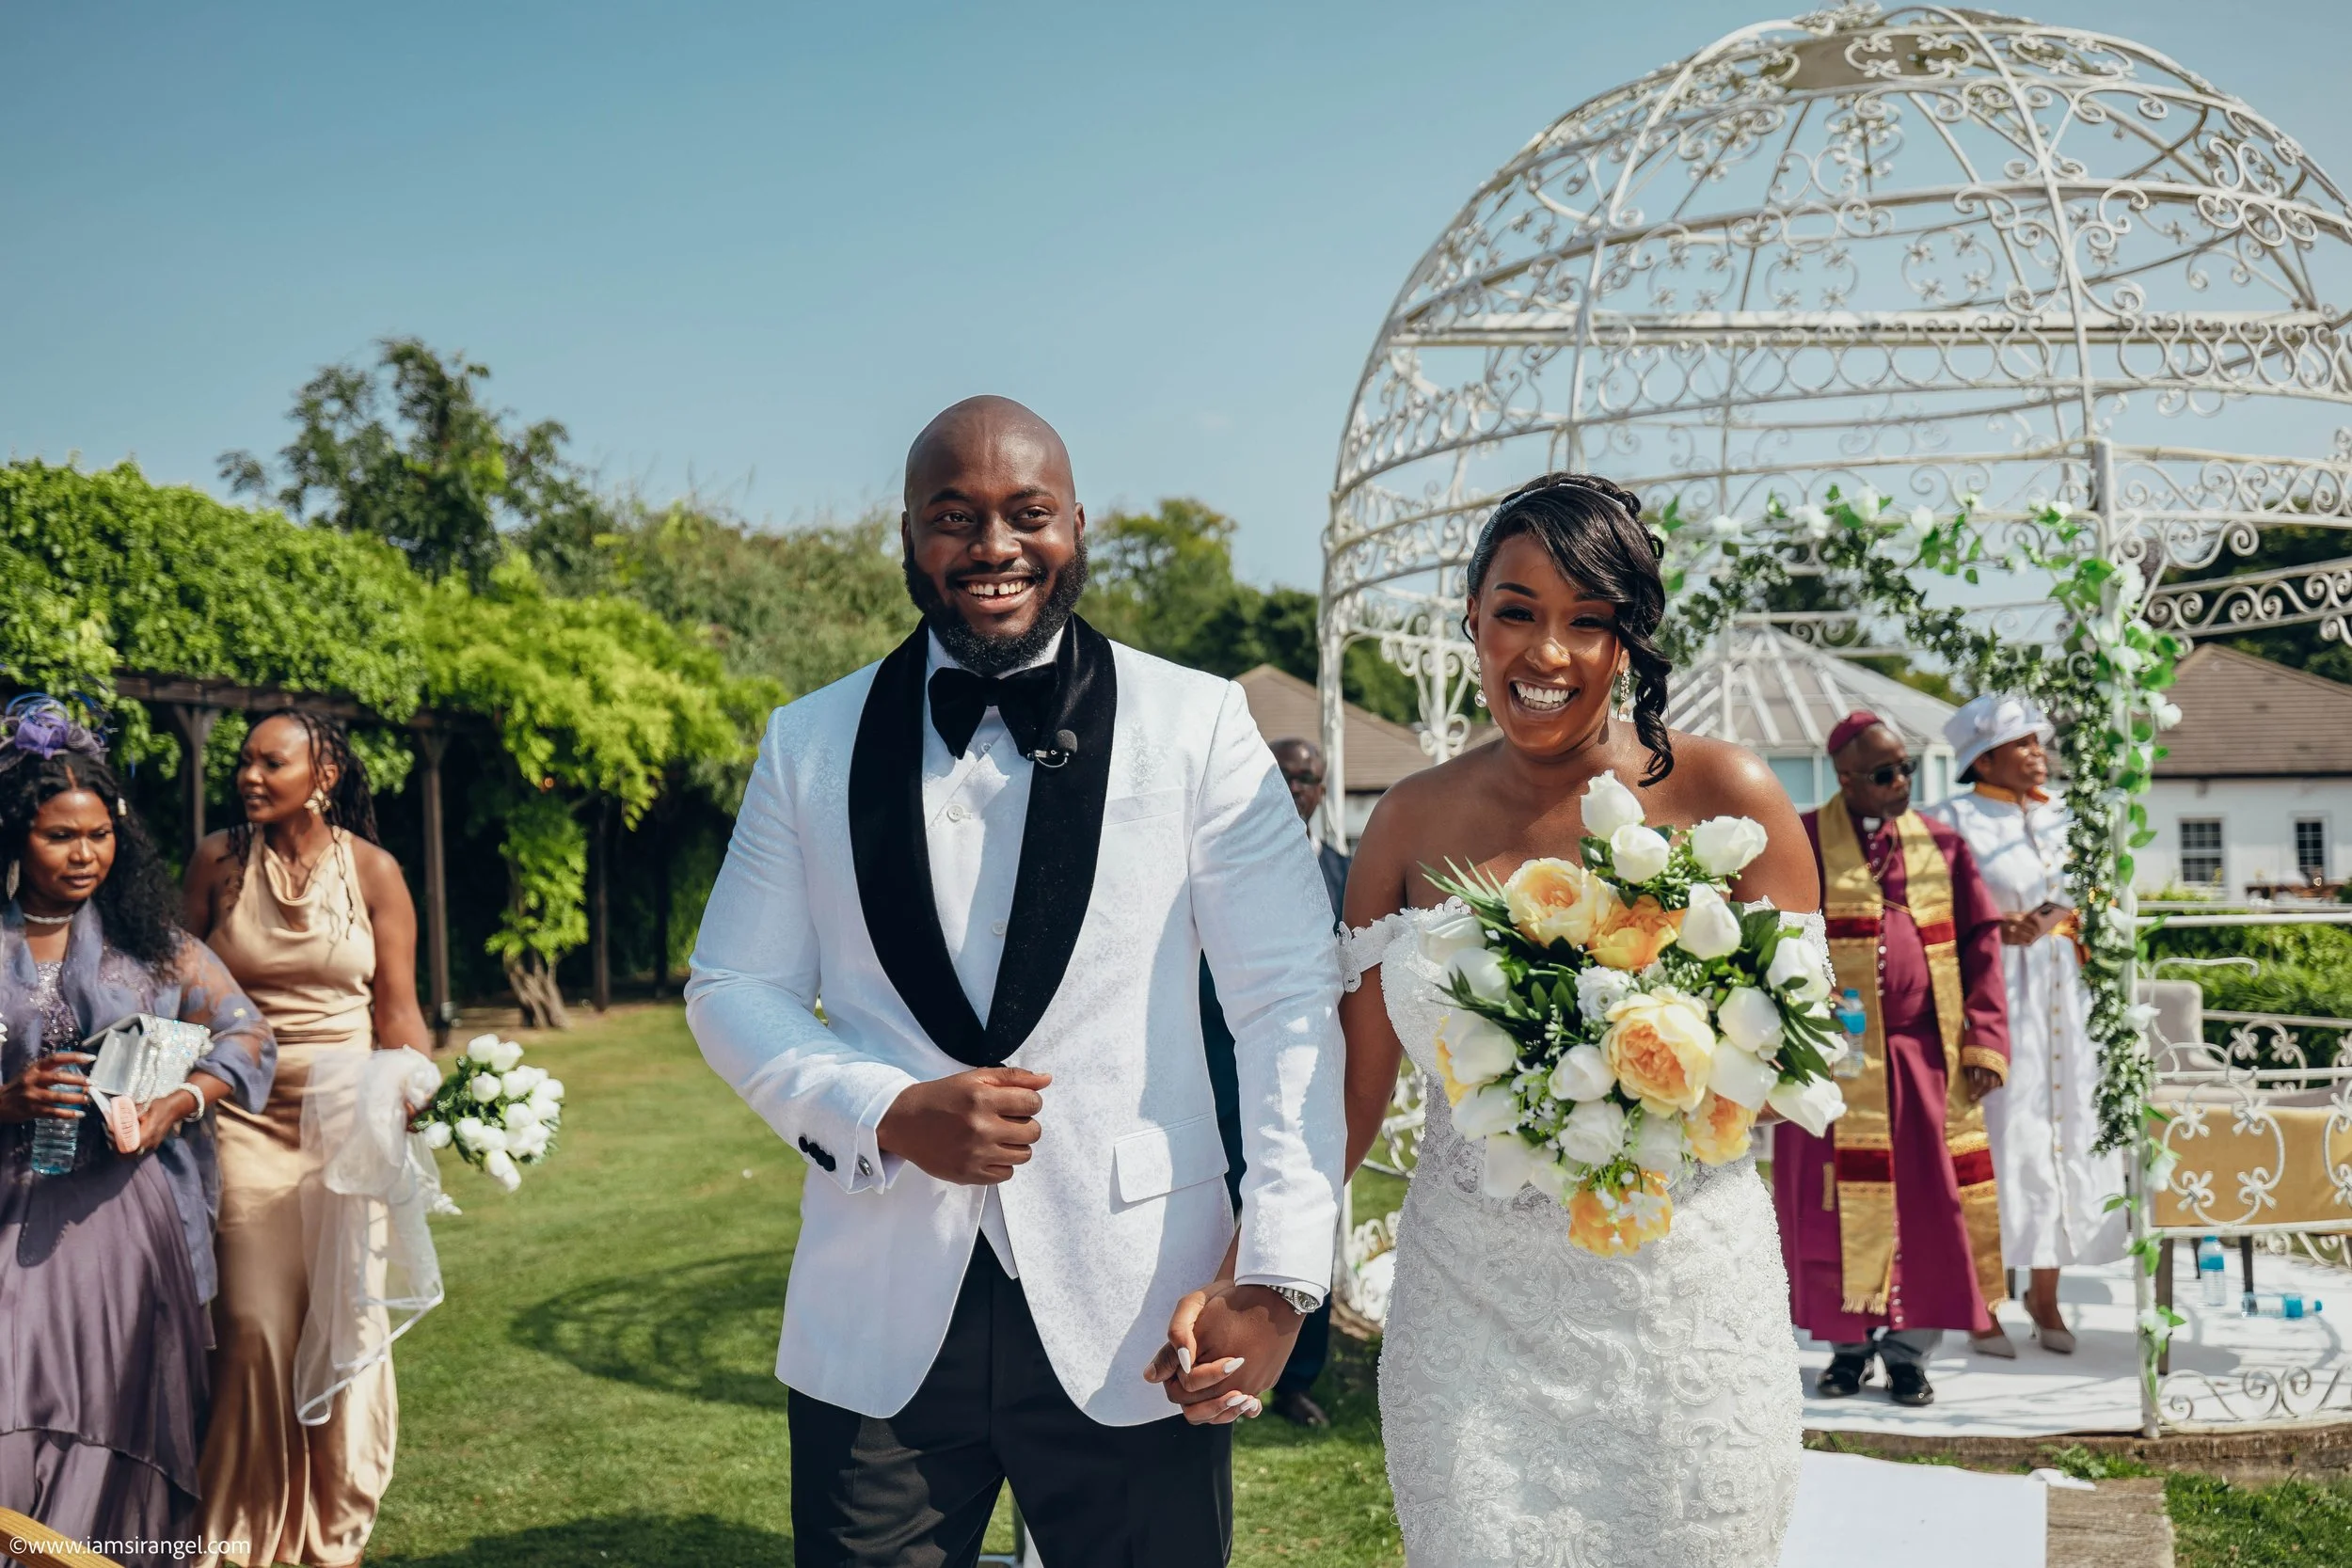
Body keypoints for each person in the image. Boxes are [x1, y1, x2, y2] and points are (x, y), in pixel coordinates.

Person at [686, 396, 1345, 1566]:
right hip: (877, 1313)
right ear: (906, 537)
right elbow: (733, 981)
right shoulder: (808, 741)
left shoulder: (1198, 723)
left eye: (1025, 513)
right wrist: (883, 1109)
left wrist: (1282, 1275)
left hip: (1143, 1310)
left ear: (1077, 525)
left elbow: (1288, 996)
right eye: (954, 515)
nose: (993, 545)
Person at [1337, 474, 1816, 1565]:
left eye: (1586, 620)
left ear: (1628, 639)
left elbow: (1803, 1037)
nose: (1546, 652)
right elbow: (1350, 1087)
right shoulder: (1405, 820)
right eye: (1517, 610)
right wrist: (1257, 1266)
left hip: (1684, 1308)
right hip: (1467, 1315)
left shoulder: (1728, 794)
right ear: (1471, 618)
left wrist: (1654, 1070)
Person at [0, 699, 275, 1551]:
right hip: (11, 1210)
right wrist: (7, 1099)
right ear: (16, 835)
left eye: (99, 833)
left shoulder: (151, 947)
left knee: (111, 1411)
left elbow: (248, 1033)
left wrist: (174, 1104)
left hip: (122, 1221)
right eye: (58, 836)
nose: (85, 854)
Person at [187, 710, 437, 1568]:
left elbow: (398, 1010)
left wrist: (416, 1089)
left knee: (345, 1327)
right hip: (244, 1119)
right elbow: (179, 989)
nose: (249, 776)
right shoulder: (218, 864)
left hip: (346, 1124)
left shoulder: (374, 871)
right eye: (244, 762)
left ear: (321, 772)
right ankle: (244, 1533)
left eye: (271, 761)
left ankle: (334, 1534)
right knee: (254, 1322)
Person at [1772, 711, 2011, 1406]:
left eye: (1905, 767)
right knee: (1829, 1206)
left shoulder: (1942, 845)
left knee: (1926, 1205)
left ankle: (1910, 1353)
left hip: (1922, 1059)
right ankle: (1846, 1349)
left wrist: (1985, 1039)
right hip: (1828, 1062)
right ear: (1845, 778)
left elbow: (1981, 948)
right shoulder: (1804, 841)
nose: (1902, 782)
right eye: (1885, 773)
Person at [1930, 694, 2124, 1354]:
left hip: (2064, 991)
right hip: (1996, 988)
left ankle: (2047, 1293)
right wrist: (1986, 926)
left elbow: (2100, 893)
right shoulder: (1952, 819)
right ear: (1984, 756)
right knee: (2000, 1135)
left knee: (2060, 1129)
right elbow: (1923, 910)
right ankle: (1983, 1299)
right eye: (2024, 743)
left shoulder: (2069, 817)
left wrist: (2081, 914)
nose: (2040, 752)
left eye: (2040, 740)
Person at [1200, 736, 1344, 1427]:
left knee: (1303, 1214)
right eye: (1285, 775)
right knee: (1220, 1205)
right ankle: (1212, 1343)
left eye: (1309, 778)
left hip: (1321, 1075)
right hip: (1217, 1068)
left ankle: (1297, 1375)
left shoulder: (1349, 871)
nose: (1298, 788)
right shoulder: (1215, 866)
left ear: (1322, 790)